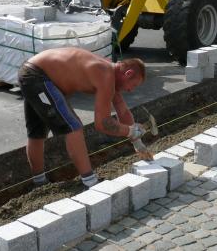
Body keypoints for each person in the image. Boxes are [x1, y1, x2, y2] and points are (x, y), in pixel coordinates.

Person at [18, 47, 151, 188]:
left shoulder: (109, 71)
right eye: (134, 85)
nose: (131, 90)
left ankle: (39, 183)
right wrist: (130, 131)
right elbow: (103, 124)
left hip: (32, 72)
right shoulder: (105, 74)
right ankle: (90, 181)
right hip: (38, 76)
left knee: (37, 132)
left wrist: (138, 143)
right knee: (74, 127)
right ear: (128, 73)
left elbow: (122, 111)